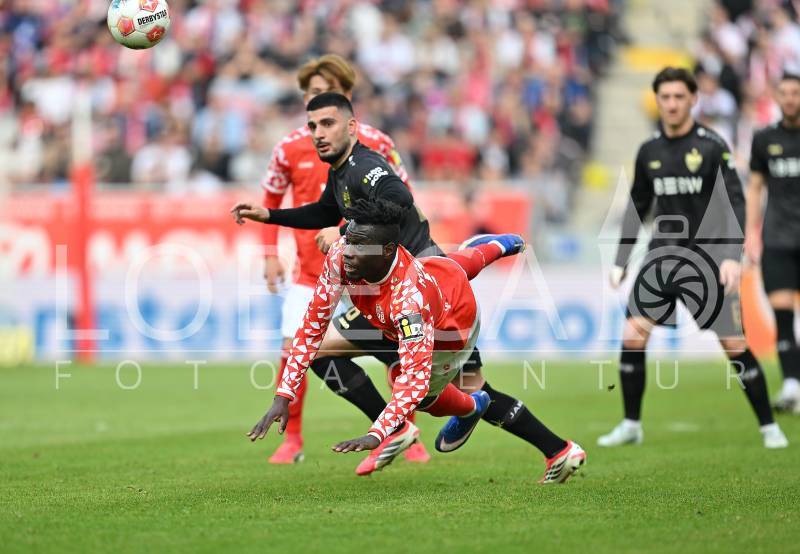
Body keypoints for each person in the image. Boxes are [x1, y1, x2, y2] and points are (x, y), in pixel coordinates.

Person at [233, 92, 581, 476]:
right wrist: (270, 215)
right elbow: (323, 212)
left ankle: (401, 426)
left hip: (424, 295)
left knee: (447, 387)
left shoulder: (365, 167)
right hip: (413, 288)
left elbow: (399, 195)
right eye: (312, 125)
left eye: (327, 123)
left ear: (352, 126)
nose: (318, 133)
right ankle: (556, 450)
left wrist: (346, 231)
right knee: (457, 386)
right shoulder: (342, 172)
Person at [245, 198, 586, 484]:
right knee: (453, 265)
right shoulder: (343, 255)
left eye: (358, 246)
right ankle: (497, 245)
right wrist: (284, 395)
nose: (347, 252)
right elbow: (312, 326)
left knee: (420, 389)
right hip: (417, 284)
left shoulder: (408, 303)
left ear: (386, 251)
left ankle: (473, 408)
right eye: (348, 240)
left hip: (452, 327)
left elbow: (415, 380)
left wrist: (377, 432)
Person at [600, 67, 788, 449]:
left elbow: (736, 201)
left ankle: (769, 427)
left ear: (692, 100)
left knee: (733, 345)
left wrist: (732, 255)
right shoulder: (649, 151)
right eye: (665, 97)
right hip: (661, 259)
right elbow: (637, 206)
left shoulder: (711, 146)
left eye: (678, 97)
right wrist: (621, 259)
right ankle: (631, 425)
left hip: (708, 259)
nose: (671, 104)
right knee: (632, 336)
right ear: (657, 100)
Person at [257, 54, 428, 464]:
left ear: (346, 97)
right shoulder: (288, 148)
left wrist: (410, 250)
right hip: (312, 272)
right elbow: (274, 198)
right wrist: (269, 251)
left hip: (367, 270)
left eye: (326, 93)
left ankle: (404, 433)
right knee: (297, 349)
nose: (317, 102)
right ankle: (292, 440)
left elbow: (402, 199)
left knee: (395, 351)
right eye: (311, 94)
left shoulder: (376, 144)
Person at [745, 72, 800, 414]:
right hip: (778, 238)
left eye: (796, 92)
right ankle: (792, 385)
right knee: (782, 313)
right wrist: (751, 232)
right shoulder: (764, 139)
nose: (790, 98)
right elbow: (755, 187)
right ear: (777, 98)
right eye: (785, 93)